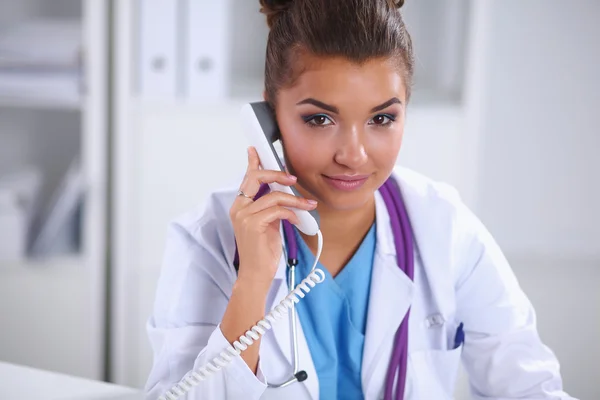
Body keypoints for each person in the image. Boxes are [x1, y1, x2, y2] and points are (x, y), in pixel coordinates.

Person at [144, 0, 575, 399]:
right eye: (320, 119)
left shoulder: (445, 228)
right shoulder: (207, 240)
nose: (354, 155)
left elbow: (530, 385)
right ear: (269, 116)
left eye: (382, 118)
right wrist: (253, 280)